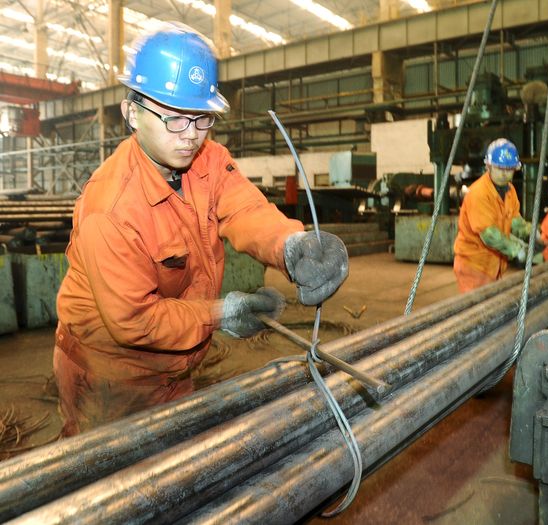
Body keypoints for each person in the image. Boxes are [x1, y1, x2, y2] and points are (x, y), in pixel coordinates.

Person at [53, 24, 349, 436]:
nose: (191, 135)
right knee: (113, 488)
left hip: (176, 364)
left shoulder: (207, 158)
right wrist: (220, 314)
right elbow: (134, 320)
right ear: (131, 113)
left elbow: (242, 207)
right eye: (174, 118)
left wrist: (290, 245)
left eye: (202, 118)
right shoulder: (111, 209)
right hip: (112, 378)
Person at [453, 139, 532, 293]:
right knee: (476, 312)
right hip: (474, 265)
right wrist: (516, 250)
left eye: (509, 169)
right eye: (499, 168)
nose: (504, 174)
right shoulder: (479, 193)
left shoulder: (510, 191)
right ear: (488, 166)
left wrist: (531, 232)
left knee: (490, 309)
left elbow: (514, 220)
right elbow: (489, 234)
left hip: (493, 265)